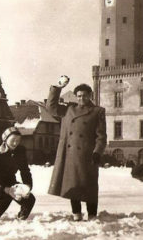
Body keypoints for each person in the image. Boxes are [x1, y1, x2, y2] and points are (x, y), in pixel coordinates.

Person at [46, 75, 107, 221]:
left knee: (89, 186)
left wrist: (97, 152)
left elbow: (101, 136)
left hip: (88, 155)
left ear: (90, 96)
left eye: (85, 96)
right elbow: (50, 107)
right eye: (79, 96)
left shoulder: (98, 111)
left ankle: (92, 215)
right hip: (71, 154)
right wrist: (58, 88)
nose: (81, 99)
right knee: (72, 185)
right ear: (76, 97)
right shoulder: (69, 109)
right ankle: (76, 215)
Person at [0, 127, 35, 221]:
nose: (15, 143)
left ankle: (21, 219)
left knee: (30, 199)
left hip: (10, 180)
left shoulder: (20, 151)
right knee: (6, 196)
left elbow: (25, 170)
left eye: (18, 140)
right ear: (5, 139)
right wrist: (4, 189)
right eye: (13, 140)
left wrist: (27, 187)